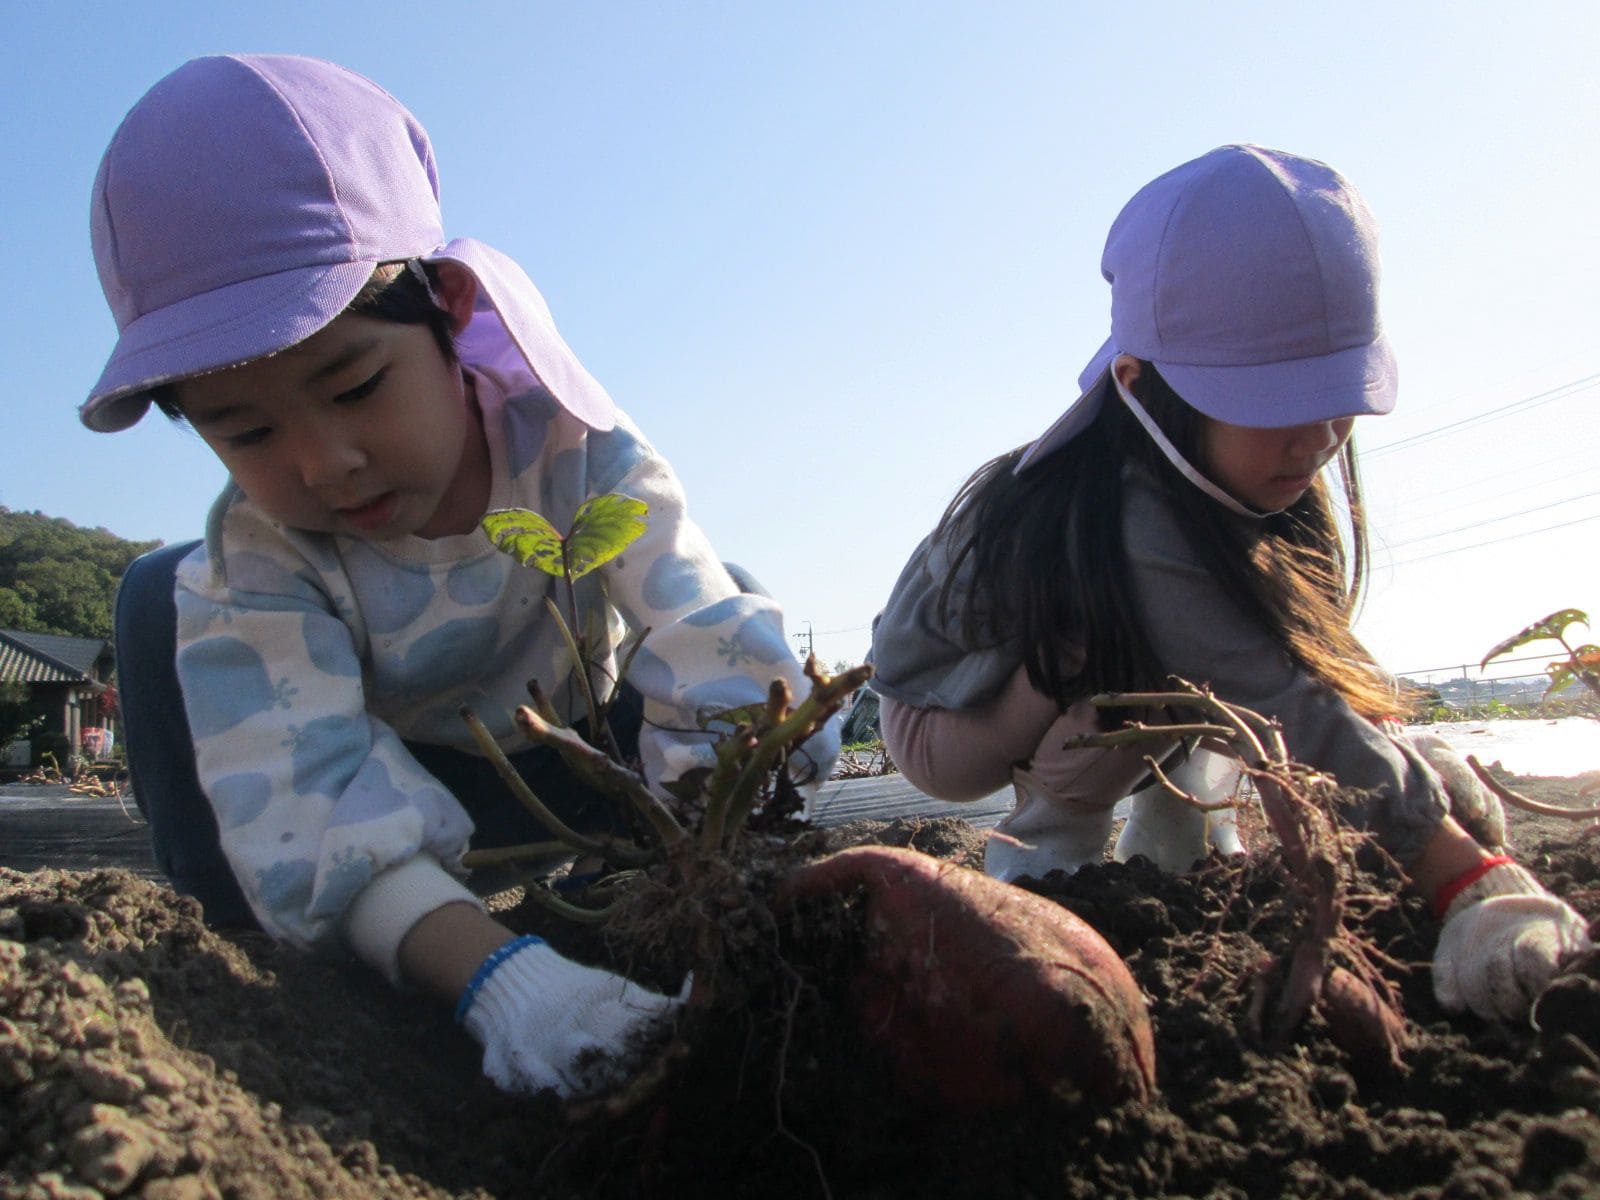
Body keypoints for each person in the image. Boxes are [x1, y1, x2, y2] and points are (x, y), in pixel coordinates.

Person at [86, 54, 837, 1098]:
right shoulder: (262, 553)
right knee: (160, 592)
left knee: (724, 619)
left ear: (448, 308)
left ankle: (646, 875)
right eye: (247, 429)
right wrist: (504, 980)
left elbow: (701, 627)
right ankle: (254, 936)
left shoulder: (574, 448)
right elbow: (307, 795)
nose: (325, 462)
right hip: (396, 792)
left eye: (353, 385)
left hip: (587, 767)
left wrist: (718, 863)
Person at [868, 144, 1590, 1024]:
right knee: (1139, 647)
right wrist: (1467, 876)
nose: (1318, 435)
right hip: (949, 712)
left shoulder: (1245, 472)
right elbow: (1277, 695)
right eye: (1272, 403)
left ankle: (1179, 835)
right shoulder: (1122, 519)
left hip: (1071, 670)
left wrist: (1407, 757)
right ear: (1140, 386)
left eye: (1335, 395)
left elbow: (1296, 658)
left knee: (1206, 643)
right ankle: (1044, 860)